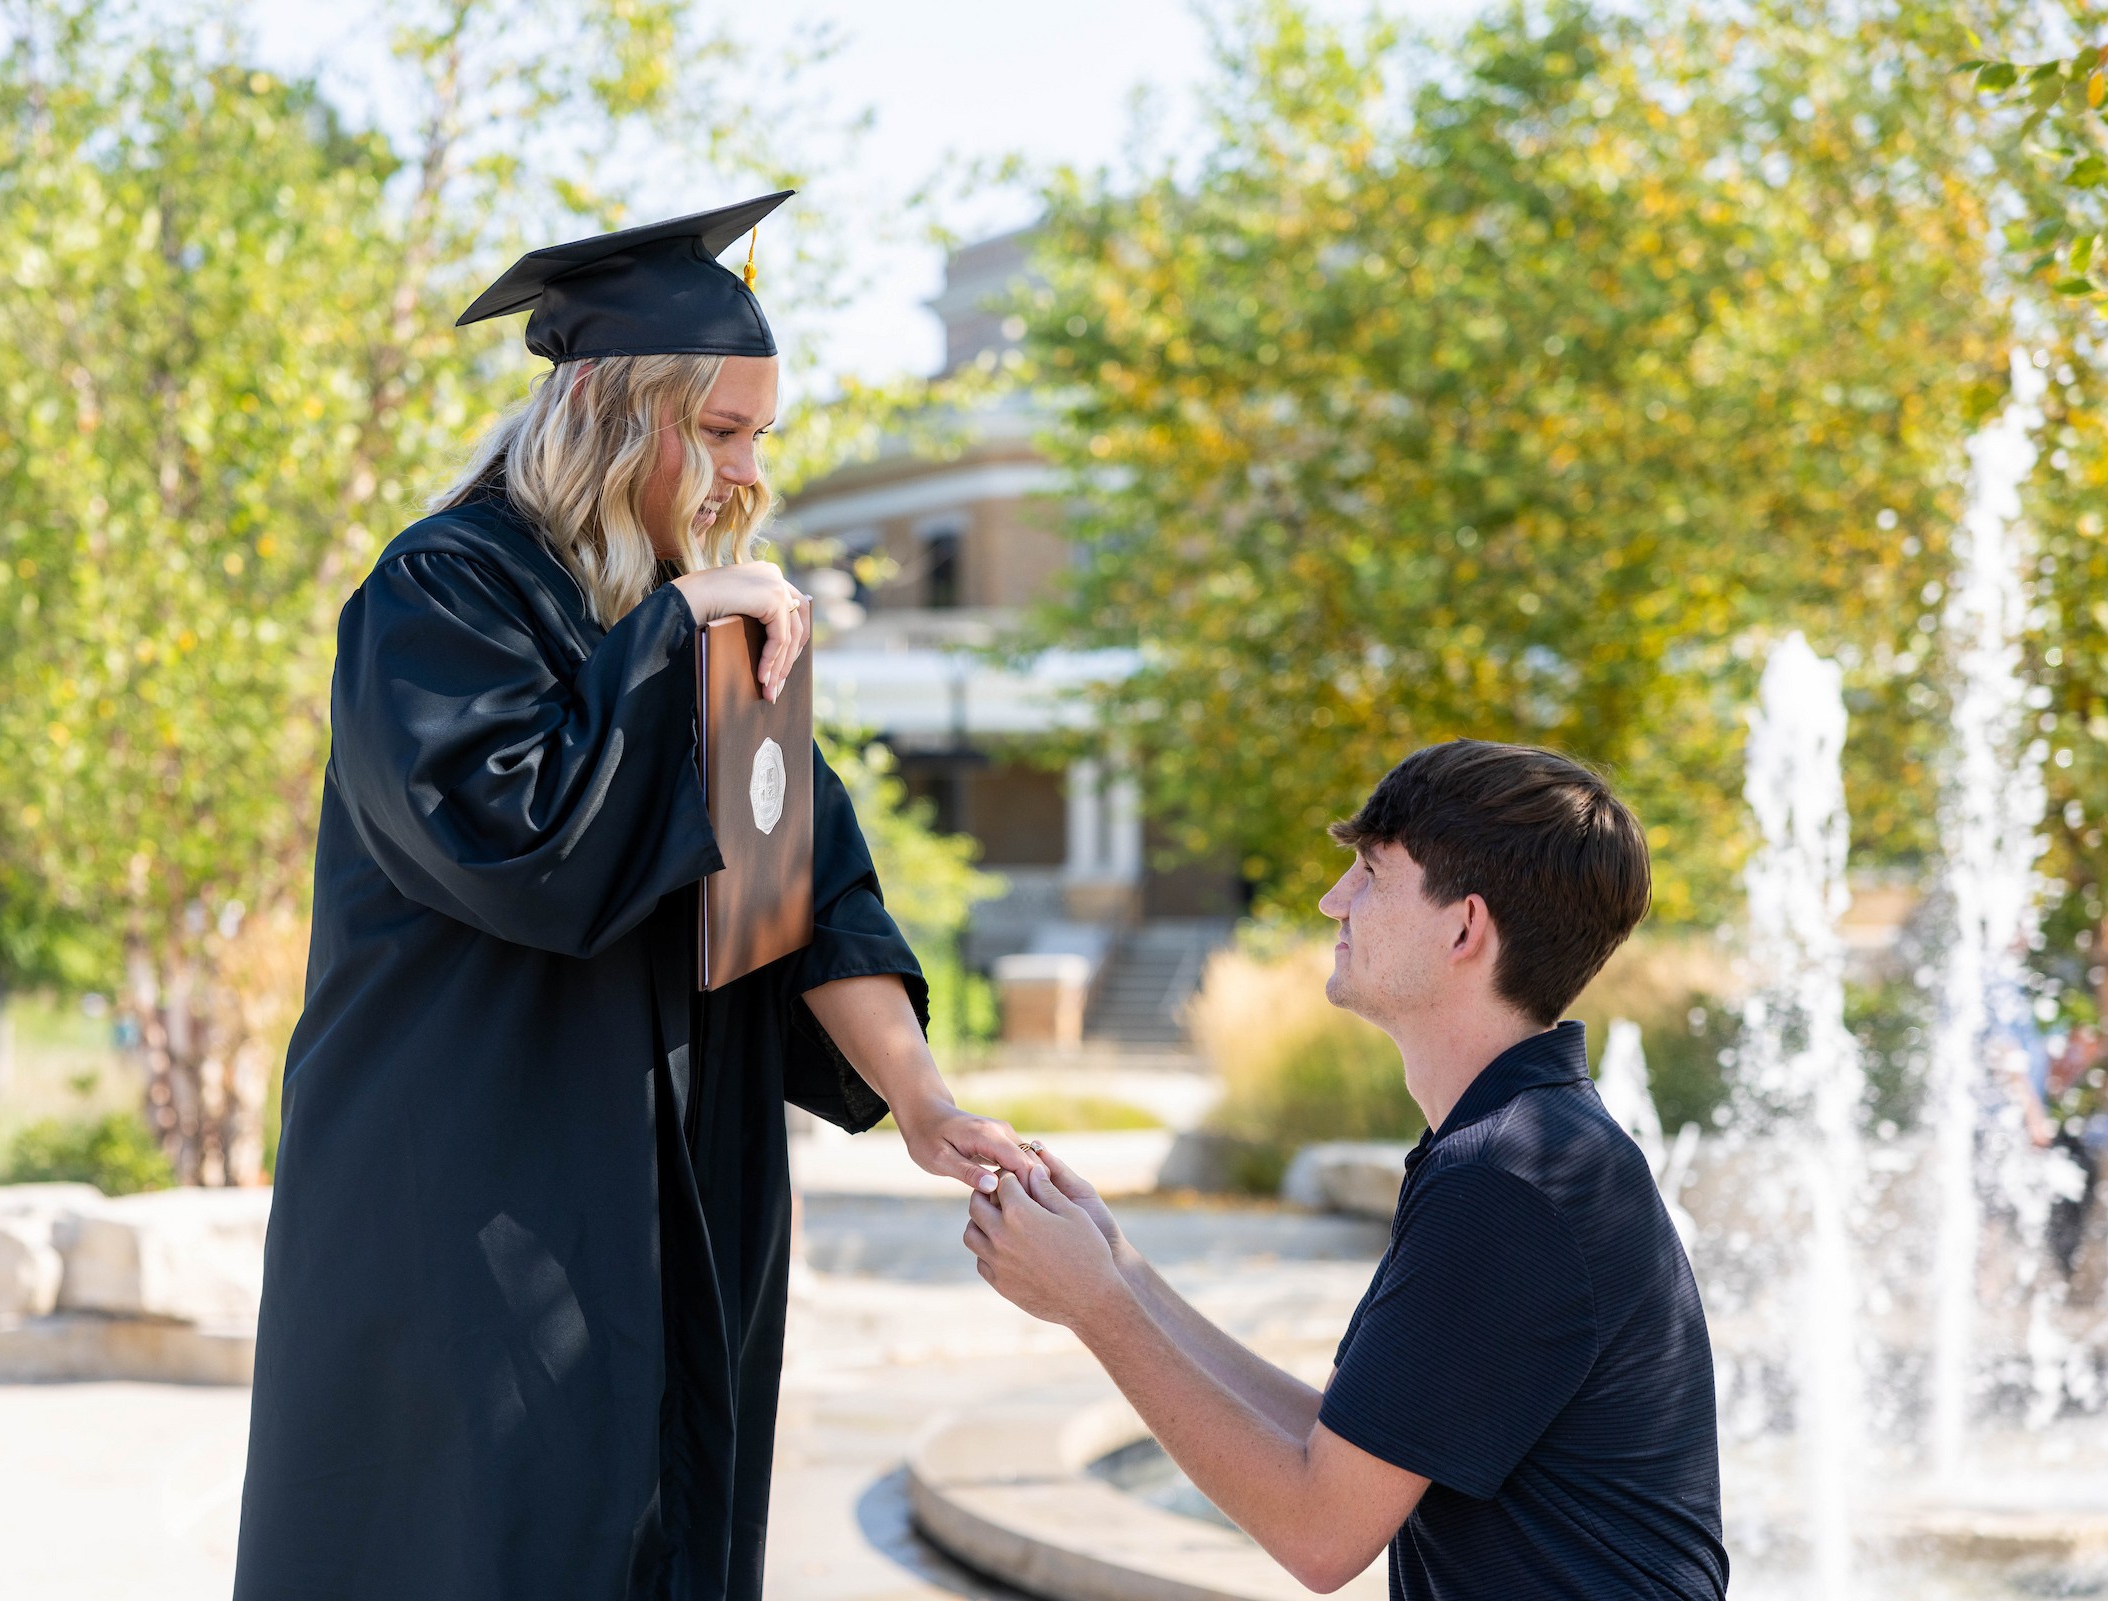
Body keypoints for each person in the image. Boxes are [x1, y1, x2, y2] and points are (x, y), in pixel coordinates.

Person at [232, 193, 1038, 1601]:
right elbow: (526, 843)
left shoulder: (694, 621)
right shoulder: (441, 594)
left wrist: (923, 1102)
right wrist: (680, 626)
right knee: (475, 1550)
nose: (745, 475)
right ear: (614, 413)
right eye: (720, 432)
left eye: (759, 437)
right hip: (473, 1199)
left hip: (669, 1206)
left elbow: (811, 884)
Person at [964, 741, 1728, 1599]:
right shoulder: (1517, 1142)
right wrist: (1119, 1268)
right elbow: (1339, 1445)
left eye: (1370, 872)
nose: (1335, 900)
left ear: (1464, 928)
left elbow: (1320, 1532)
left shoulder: (1508, 1179)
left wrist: (1094, 1305)